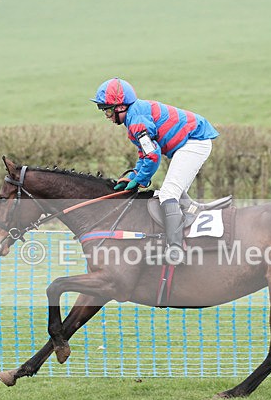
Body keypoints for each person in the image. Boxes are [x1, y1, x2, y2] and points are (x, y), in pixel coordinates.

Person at [91, 77, 219, 264]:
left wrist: (141, 180)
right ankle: (189, 212)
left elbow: (152, 155)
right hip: (191, 141)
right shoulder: (134, 116)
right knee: (170, 191)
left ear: (120, 107)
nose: (106, 116)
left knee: (168, 193)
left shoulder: (137, 121)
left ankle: (175, 250)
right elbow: (145, 153)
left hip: (195, 141)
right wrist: (134, 176)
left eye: (108, 110)